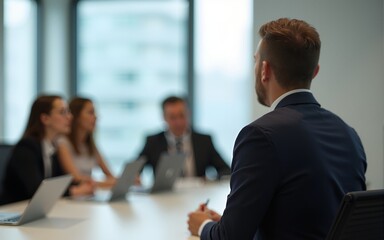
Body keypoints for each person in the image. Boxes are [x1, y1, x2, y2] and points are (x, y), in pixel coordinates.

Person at [187, 18, 367, 239]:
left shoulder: (260, 136)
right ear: (315, 71)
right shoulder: (349, 134)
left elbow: (230, 237)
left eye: (255, 61)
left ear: (264, 70)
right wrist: (230, 222)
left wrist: (203, 225)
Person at [0, 95, 94, 205]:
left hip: (34, 212)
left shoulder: (50, 148)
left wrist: (79, 186)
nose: (70, 117)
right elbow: (37, 191)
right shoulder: (26, 147)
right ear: (45, 118)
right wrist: (75, 191)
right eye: (62, 112)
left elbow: (59, 182)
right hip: (15, 210)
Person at [138, 96, 230, 180]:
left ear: (188, 113)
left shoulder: (204, 141)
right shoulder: (153, 142)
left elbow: (226, 170)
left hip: (196, 194)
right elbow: (135, 169)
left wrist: (210, 180)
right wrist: (136, 177)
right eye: (173, 117)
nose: (178, 122)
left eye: (181, 115)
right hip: (164, 196)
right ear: (164, 117)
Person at [57, 97, 116, 188]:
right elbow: (76, 178)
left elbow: (109, 175)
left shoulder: (90, 145)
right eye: (90, 113)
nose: (96, 117)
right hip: (73, 197)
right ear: (76, 116)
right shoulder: (63, 143)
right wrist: (113, 183)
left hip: (88, 194)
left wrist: (126, 180)